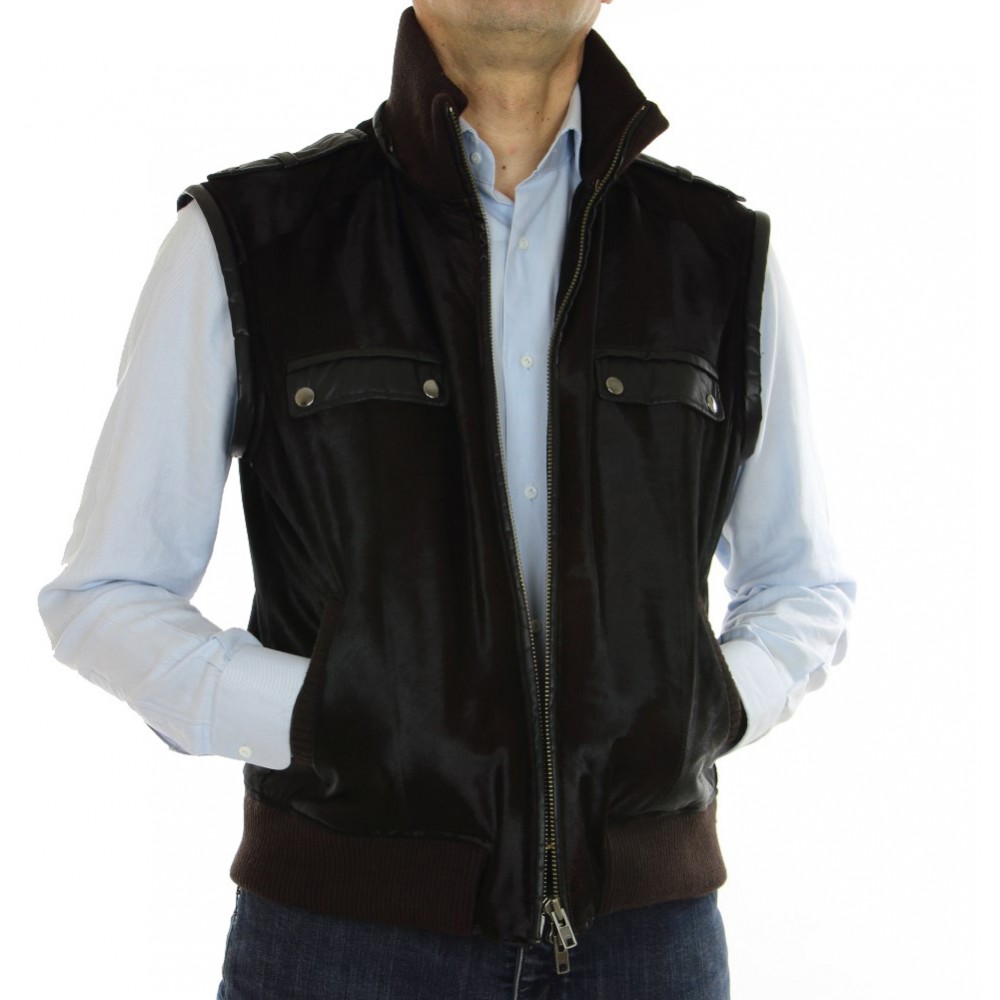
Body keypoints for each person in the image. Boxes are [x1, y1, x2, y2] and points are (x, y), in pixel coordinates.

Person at [37, 2, 856, 997]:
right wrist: (324, 718)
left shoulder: (721, 256)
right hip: (342, 940)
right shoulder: (251, 239)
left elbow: (803, 586)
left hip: (651, 946)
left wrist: (702, 708)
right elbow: (106, 594)